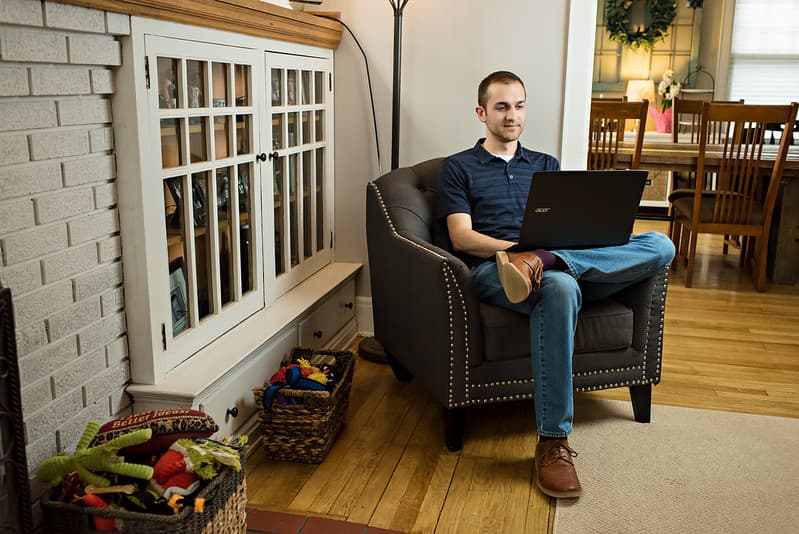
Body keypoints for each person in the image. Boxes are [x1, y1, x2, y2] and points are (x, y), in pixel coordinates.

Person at [436, 71, 675, 499]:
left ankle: (551, 261)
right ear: (481, 112)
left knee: (660, 243)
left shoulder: (546, 165)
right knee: (561, 290)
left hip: (559, 262)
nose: (513, 115)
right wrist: (519, 251)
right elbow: (461, 237)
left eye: (519, 105)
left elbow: (566, 225)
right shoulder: (458, 168)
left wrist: (553, 252)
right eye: (502, 106)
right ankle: (553, 442)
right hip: (498, 270)